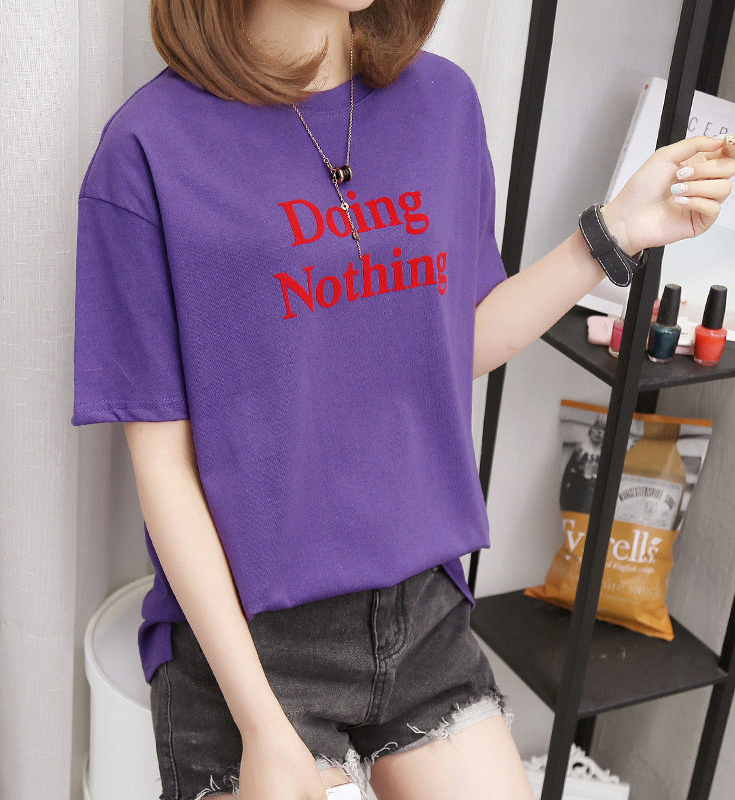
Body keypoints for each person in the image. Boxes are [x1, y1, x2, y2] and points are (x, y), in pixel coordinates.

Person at [70, 1, 735, 798]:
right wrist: (261, 726)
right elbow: (164, 468)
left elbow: (455, 344)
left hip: (419, 617)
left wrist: (617, 231)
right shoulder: (147, 149)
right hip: (247, 639)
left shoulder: (441, 104)